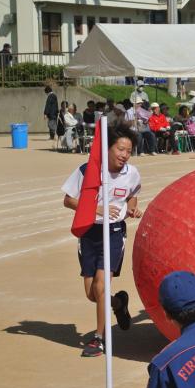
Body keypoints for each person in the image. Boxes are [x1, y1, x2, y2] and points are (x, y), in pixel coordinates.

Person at [61, 124, 143, 357]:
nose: (124, 155)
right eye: (120, 149)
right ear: (107, 149)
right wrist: (95, 208)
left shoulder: (132, 173)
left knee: (100, 285)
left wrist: (132, 209)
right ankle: (119, 304)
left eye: (128, 151)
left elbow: (133, 196)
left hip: (114, 232)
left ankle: (99, 339)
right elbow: (68, 200)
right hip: (89, 233)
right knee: (92, 294)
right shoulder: (88, 170)